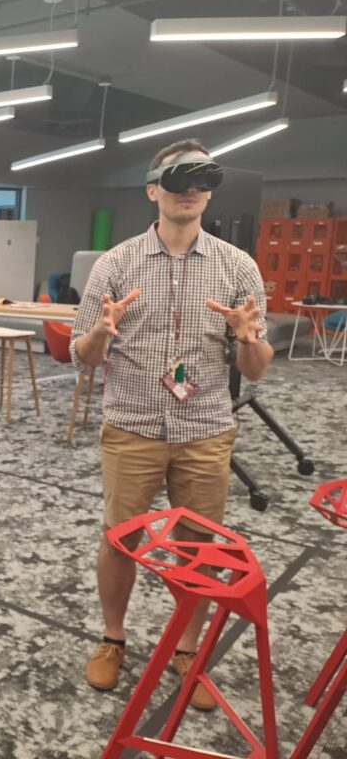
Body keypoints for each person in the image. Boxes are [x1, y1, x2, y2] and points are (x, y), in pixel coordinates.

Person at [72, 139, 273, 711]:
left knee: (199, 546)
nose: (189, 188)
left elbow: (256, 371)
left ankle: (187, 647)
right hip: (132, 425)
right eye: (176, 177)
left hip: (205, 428)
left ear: (209, 189)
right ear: (152, 188)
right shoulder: (116, 264)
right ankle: (113, 637)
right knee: (120, 538)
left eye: (202, 177)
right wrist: (101, 333)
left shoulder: (239, 267)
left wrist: (245, 337)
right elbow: (82, 356)